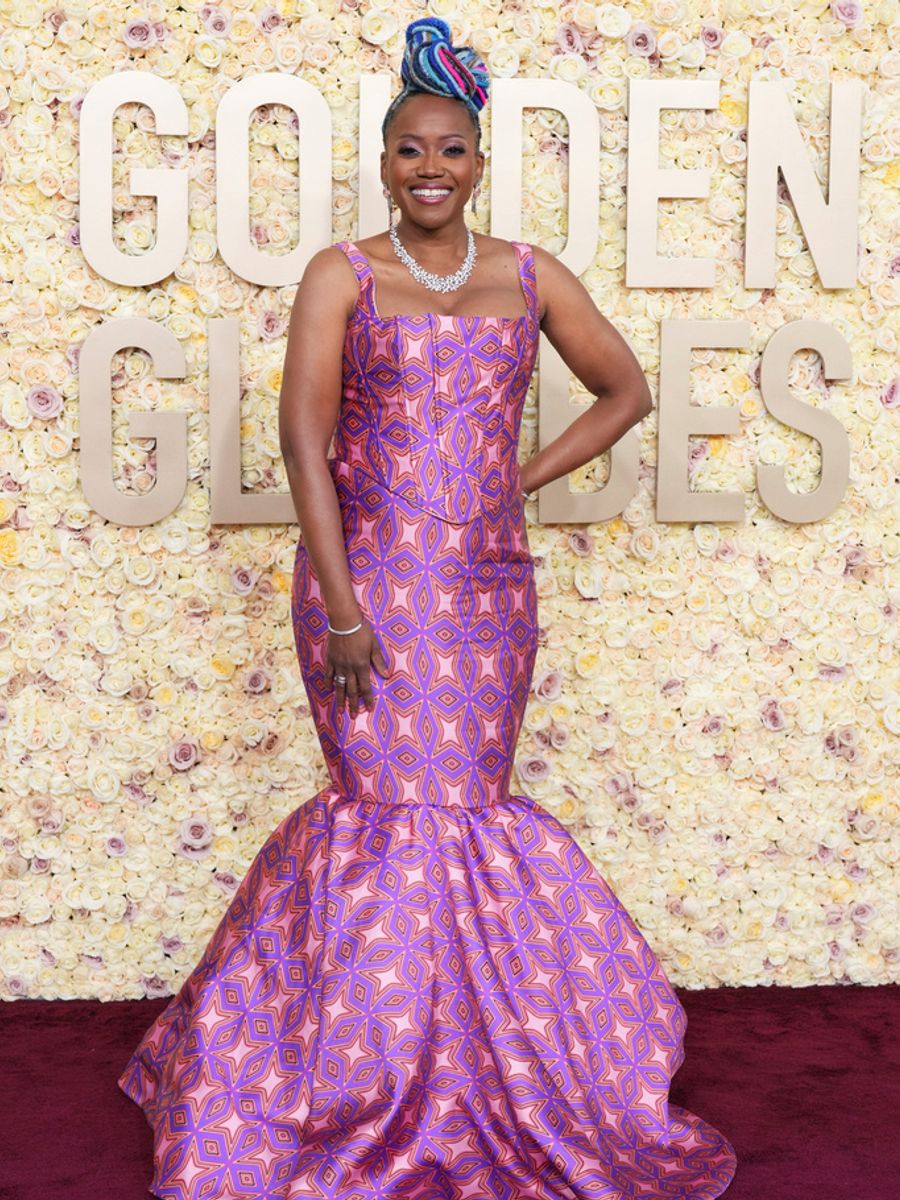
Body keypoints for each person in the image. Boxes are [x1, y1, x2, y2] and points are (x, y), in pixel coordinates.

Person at [118, 17, 737, 1200]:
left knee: (468, 813)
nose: (431, 170)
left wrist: (519, 479)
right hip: (371, 586)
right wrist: (344, 606)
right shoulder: (343, 273)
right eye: (410, 151)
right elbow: (302, 440)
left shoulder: (531, 273)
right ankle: (354, 1079)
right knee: (385, 815)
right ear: (386, 160)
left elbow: (628, 389)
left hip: (488, 593)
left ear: (478, 160)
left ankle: (480, 1074)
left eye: (451, 150)